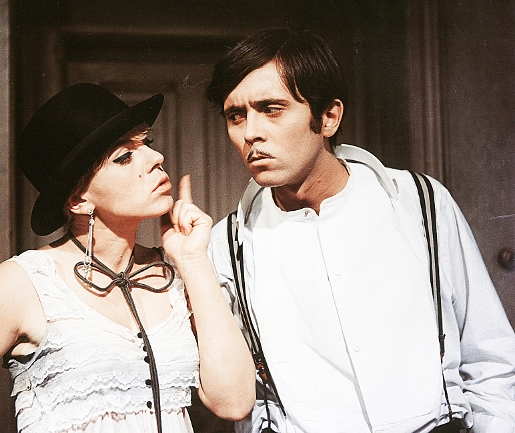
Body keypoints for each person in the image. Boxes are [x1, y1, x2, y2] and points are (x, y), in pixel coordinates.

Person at [205, 27, 515, 433]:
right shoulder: (228, 244)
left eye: (272, 109)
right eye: (236, 116)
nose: (250, 133)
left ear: (328, 117)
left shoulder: (418, 202)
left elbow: (490, 361)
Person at [0, 83, 255, 433]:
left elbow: (234, 402)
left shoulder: (174, 275)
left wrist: (193, 260)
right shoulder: (26, 284)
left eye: (147, 144)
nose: (155, 158)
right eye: (124, 156)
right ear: (79, 200)